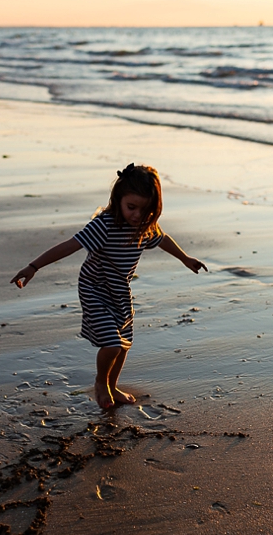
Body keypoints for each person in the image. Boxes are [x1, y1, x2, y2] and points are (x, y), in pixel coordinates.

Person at [11, 164, 207, 408]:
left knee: (124, 343)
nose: (137, 215)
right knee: (112, 344)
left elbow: (162, 239)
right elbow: (69, 246)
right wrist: (33, 267)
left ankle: (113, 386)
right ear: (118, 200)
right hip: (94, 288)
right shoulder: (104, 225)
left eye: (145, 210)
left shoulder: (144, 227)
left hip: (120, 290)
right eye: (131, 207)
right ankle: (101, 383)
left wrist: (185, 258)